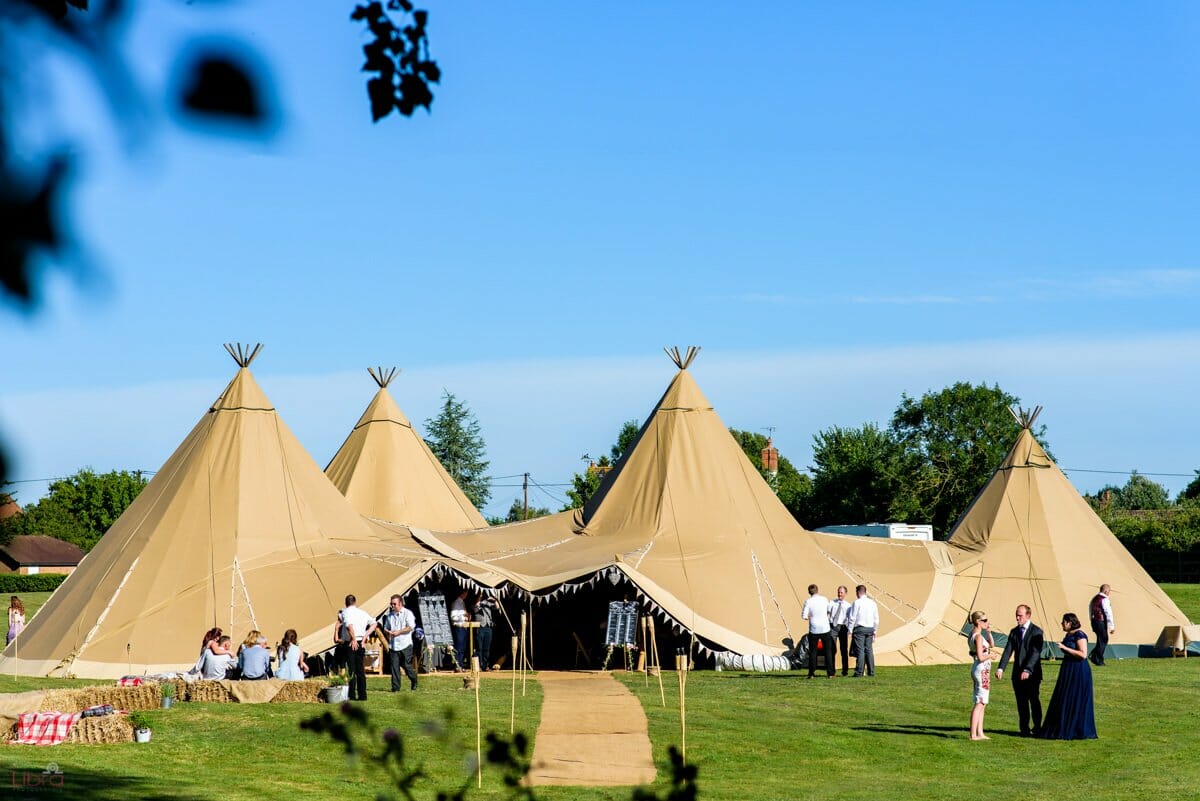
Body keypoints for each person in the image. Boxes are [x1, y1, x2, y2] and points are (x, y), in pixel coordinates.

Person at [1040, 613, 1098, 740]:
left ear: (1069, 623)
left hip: (1078, 670)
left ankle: (1077, 728)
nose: (1061, 624)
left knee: (1075, 696)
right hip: (1068, 668)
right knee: (1064, 696)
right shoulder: (1069, 635)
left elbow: (1083, 654)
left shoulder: (1080, 635)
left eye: (1063, 622)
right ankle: (1061, 726)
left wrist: (1065, 648)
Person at [996, 604, 1044, 737]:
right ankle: (1024, 728)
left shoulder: (1037, 632)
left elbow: (1035, 652)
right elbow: (1008, 650)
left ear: (1028, 616)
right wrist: (1001, 668)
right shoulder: (1014, 632)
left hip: (1033, 674)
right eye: (1016, 615)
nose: (1017, 618)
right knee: (1021, 702)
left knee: (1034, 700)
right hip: (1017, 673)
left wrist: (1028, 669)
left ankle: (1037, 727)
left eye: (1020, 615)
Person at [340, 594, 377, 701]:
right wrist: (365, 636)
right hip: (361, 641)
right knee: (360, 669)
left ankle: (351, 695)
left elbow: (349, 625)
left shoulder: (345, 612)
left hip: (351, 642)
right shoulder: (362, 612)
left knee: (352, 670)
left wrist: (354, 639)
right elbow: (374, 624)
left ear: (346, 603)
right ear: (355, 602)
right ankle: (362, 695)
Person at [382, 594, 418, 691]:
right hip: (393, 645)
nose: (392, 606)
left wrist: (399, 632)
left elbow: (410, 627)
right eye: (391, 604)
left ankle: (414, 680)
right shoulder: (390, 616)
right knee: (394, 667)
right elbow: (385, 627)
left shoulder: (408, 613)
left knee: (406, 665)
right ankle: (395, 687)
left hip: (405, 644)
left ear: (400, 603)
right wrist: (388, 632)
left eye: (394, 604)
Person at [967, 611, 995, 741]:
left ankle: (980, 732)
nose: (986, 622)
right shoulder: (977, 636)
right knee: (980, 702)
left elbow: (992, 645)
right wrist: (991, 656)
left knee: (983, 702)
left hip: (981, 669)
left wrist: (989, 632)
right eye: (984, 620)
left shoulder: (974, 635)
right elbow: (981, 656)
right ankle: (973, 734)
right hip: (981, 669)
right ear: (978, 622)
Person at [801, 584, 834, 678]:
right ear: (817, 590)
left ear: (809, 592)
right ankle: (830, 673)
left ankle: (811, 673)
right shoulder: (824, 599)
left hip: (814, 629)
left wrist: (809, 617)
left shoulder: (808, 601)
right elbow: (829, 610)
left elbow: (804, 616)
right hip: (825, 628)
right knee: (828, 651)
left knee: (813, 652)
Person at [847, 585, 879, 678]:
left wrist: (850, 630)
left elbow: (852, 618)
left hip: (860, 628)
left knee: (860, 650)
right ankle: (871, 672)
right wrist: (875, 631)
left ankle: (859, 672)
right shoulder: (872, 603)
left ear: (858, 592)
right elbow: (876, 619)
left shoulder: (856, 603)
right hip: (870, 628)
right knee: (869, 650)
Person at [828, 585, 852, 677]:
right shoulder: (832, 602)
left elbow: (850, 618)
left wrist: (849, 629)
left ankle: (845, 671)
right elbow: (828, 612)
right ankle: (832, 671)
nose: (839, 594)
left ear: (845, 594)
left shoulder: (848, 605)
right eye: (838, 592)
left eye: (841, 592)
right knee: (832, 649)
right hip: (833, 627)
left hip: (842, 627)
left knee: (843, 650)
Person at [1088, 584, 1115, 666]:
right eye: (1109, 591)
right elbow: (1108, 612)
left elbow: (1090, 609)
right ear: (1106, 591)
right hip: (1101, 621)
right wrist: (1112, 626)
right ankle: (1098, 659)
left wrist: (1091, 620)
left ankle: (1094, 655)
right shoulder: (1104, 599)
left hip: (1094, 621)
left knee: (1100, 640)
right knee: (1103, 640)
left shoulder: (1094, 598)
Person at [473, 592, 499, 671]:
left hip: (488, 627)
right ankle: (479, 666)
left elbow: (497, 607)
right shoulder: (476, 604)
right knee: (479, 648)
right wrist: (479, 597)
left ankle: (485, 665)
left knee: (486, 648)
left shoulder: (487, 603)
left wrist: (494, 600)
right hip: (480, 627)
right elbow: (477, 605)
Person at [449, 589, 470, 670]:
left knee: (463, 647)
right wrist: (463, 617)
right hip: (459, 627)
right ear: (463, 593)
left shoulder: (462, 603)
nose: (466, 595)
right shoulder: (456, 603)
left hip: (464, 627)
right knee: (458, 647)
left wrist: (467, 616)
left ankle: (460, 664)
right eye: (466, 593)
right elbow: (453, 617)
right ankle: (457, 665)